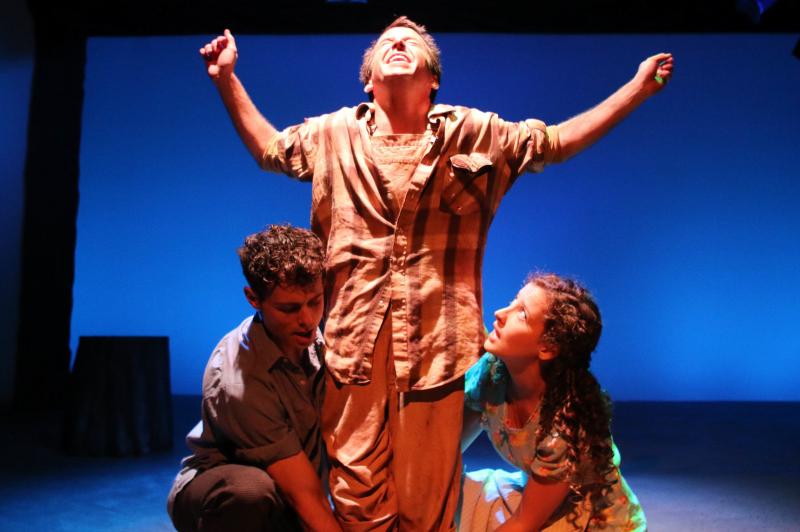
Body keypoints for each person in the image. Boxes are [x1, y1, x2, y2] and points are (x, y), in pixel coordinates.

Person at [198, 17, 672, 531]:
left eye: (412, 44)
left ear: (433, 78)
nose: (398, 42)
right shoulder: (331, 134)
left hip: (437, 346)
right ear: (368, 78)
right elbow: (271, 150)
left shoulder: (476, 132)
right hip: (353, 349)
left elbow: (554, 142)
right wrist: (226, 79)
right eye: (386, 43)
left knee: (426, 506)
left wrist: (636, 89)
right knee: (358, 498)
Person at [166, 224, 341, 531]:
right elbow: (303, 495)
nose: (308, 320)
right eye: (289, 308)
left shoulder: (318, 344)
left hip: (286, 493)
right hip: (223, 497)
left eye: (315, 301)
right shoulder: (238, 379)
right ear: (253, 298)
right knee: (250, 492)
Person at [460, 273, 645, 531]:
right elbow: (447, 451)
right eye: (513, 301)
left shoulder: (565, 429)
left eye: (521, 314)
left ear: (547, 348)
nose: (501, 313)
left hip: (591, 520)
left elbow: (525, 523)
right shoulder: (493, 372)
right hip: (535, 495)